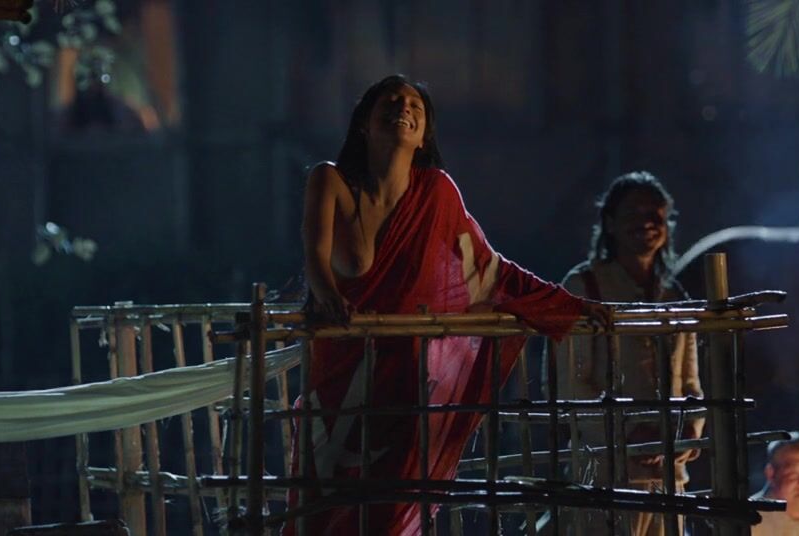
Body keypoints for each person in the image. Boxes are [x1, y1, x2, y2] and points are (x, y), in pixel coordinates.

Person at [290, 74, 610, 535]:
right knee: (322, 506)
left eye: (415, 106)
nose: (403, 108)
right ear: (364, 122)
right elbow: (315, 257)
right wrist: (326, 296)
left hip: (404, 376)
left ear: (423, 136)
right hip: (341, 365)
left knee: (388, 511)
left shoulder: (437, 192)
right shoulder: (330, 179)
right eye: (390, 100)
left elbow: (488, 271)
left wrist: (566, 305)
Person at [545, 171, 701, 535]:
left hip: (669, 473)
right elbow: (571, 383)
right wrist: (630, 433)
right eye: (632, 213)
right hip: (604, 471)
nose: (645, 223)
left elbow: (692, 384)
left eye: (654, 214)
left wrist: (685, 434)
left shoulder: (674, 295)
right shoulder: (584, 288)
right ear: (610, 223)